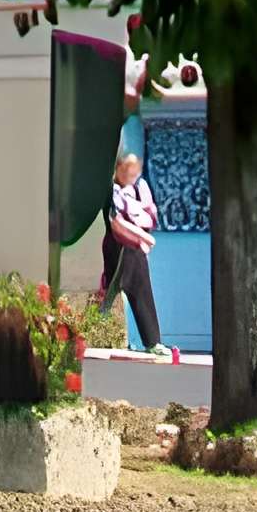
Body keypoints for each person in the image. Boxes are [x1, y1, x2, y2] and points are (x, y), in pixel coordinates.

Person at [99, 150, 167, 357]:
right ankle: (90, 332)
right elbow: (118, 222)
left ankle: (153, 341)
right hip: (118, 249)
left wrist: (142, 232)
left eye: (134, 170)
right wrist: (144, 236)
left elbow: (149, 217)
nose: (131, 174)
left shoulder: (140, 188)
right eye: (126, 169)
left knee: (141, 292)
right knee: (107, 294)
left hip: (136, 252)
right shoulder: (112, 192)